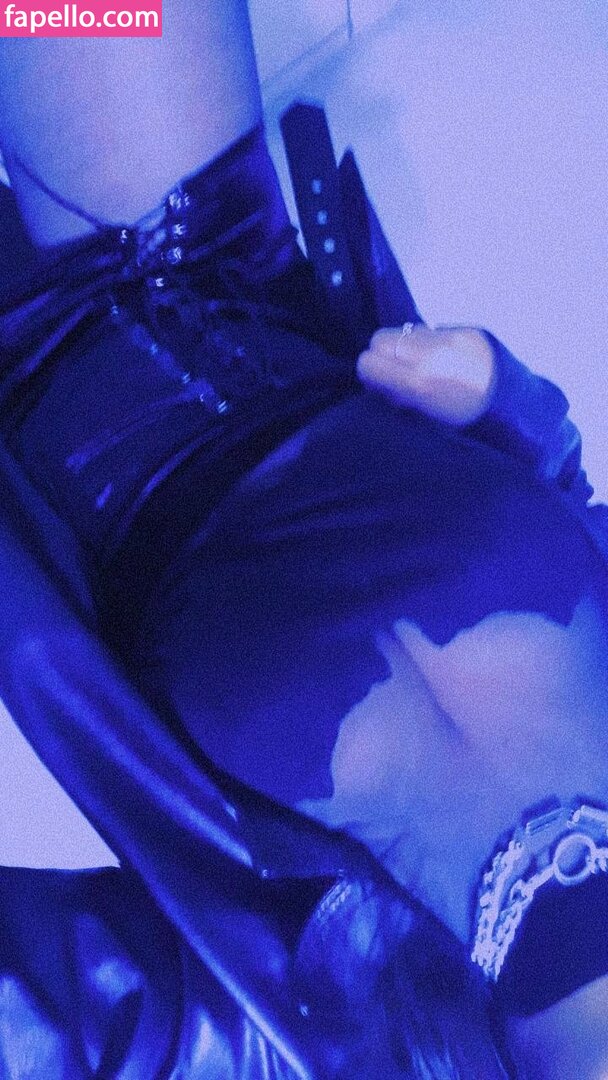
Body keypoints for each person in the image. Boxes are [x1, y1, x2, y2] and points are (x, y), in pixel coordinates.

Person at [1, 3, 608, 1076]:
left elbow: (46, 1007)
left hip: (35, 402)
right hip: (208, 250)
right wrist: (501, 401)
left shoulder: (330, 1038)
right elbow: (569, 504)